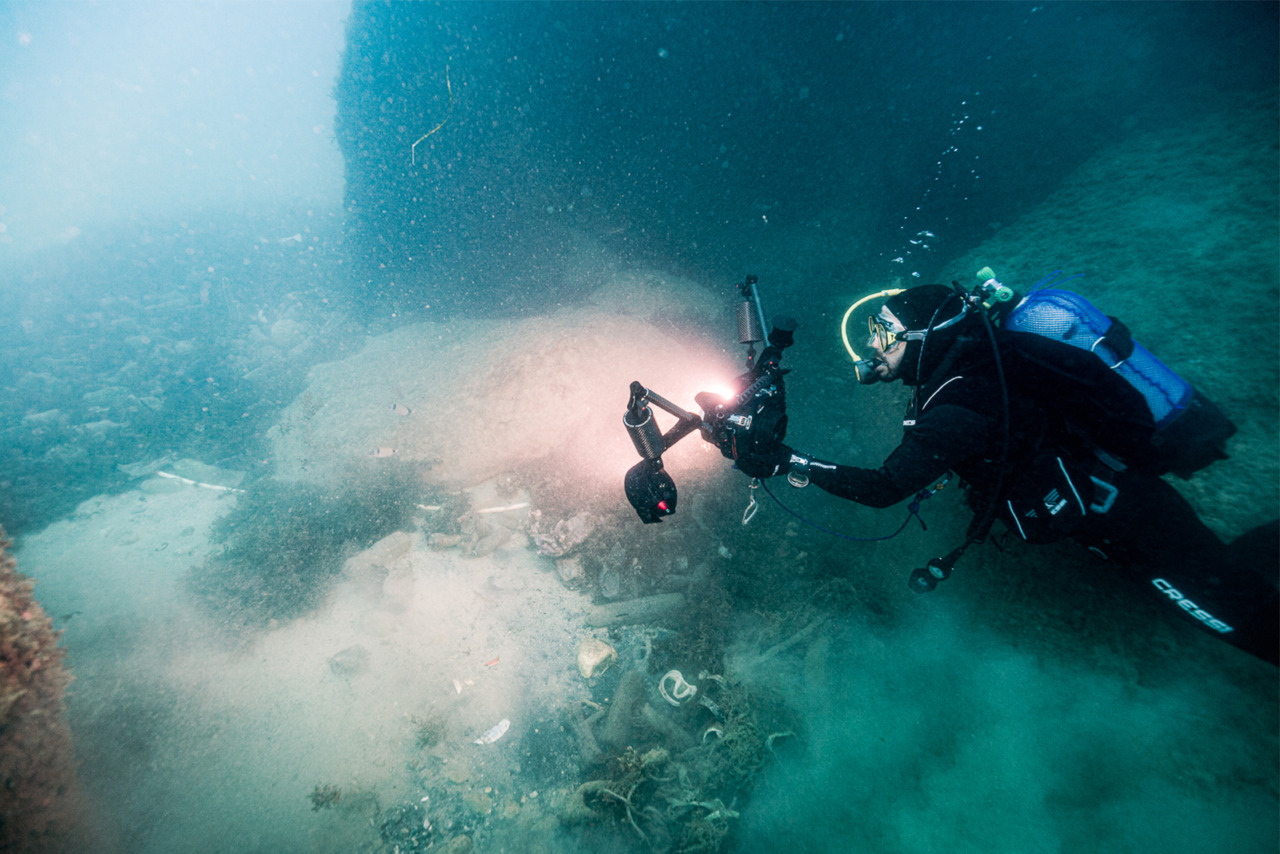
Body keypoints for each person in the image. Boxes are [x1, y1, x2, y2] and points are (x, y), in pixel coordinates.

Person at [734, 283, 1279, 666]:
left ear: (925, 336)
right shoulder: (970, 365)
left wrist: (786, 461)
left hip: (1129, 520)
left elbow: (884, 488)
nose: (873, 344)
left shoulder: (958, 401)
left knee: (1239, 620)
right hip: (1122, 500)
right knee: (1225, 570)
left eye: (885, 331)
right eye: (874, 329)